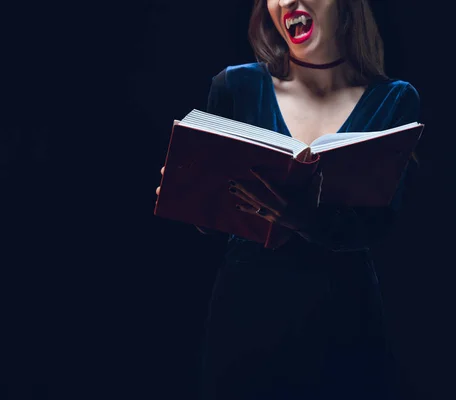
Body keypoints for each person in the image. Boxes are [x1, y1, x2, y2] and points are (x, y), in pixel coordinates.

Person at [156, 0, 420, 398]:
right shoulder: (234, 87)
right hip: (246, 321)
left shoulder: (394, 99)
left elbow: (381, 223)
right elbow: (213, 224)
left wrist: (304, 220)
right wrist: (190, 191)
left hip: (345, 322)